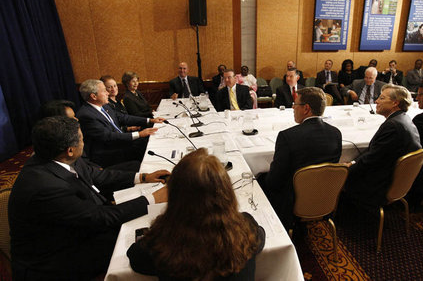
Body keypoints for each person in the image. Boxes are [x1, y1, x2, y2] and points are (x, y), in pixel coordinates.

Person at [8, 116, 169, 280]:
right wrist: (152, 199)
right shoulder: (45, 187)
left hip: (76, 228)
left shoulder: (58, 156)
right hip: (51, 259)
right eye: (82, 139)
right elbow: (99, 217)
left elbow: (99, 176)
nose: (84, 144)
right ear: (70, 149)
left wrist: (143, 177)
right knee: (144, 249)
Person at [127, 148, 265, 280]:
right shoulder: (246, 229)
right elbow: (261, 237)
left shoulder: (160, 242)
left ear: (174, 195)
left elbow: (135, 257)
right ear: (226, 192)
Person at [259, 87, 342, 228]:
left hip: (292, 203)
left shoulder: (288, 136)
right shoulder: (336, 133)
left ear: (306, 109)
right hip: (325, 198)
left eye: (295, 105)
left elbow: (274, 181)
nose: (292, 108)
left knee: (260, 179)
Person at [343, 84, 421, 208]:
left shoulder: (393, 126)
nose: (377, 101)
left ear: (395, 103)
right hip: (396, 178)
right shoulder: (402, 119)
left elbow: (373, 159)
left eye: (382, 98)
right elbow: (376, 152)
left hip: (382, 183)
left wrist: (348, 168)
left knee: (338, 176)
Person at [76, 79, 164, 168]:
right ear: (93, 96)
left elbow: (123, 117)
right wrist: (139, 134)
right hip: (109, 152)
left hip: (120, 142)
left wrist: (150, 120)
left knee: (151, 140)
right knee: (146, 147)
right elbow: (108, 136)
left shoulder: (104, 105)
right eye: (104, 91)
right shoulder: (86, 115)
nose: (107, 93)